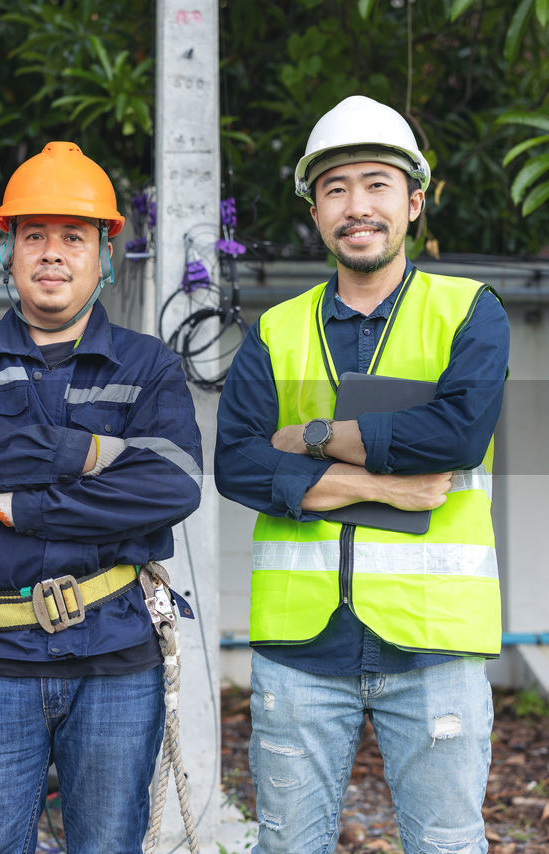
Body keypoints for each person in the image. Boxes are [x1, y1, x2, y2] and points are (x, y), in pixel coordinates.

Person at [214, 95, 509, 854]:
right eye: (336, 188)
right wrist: (381, 480)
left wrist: (314, 437)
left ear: (413, 201)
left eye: (376, 184)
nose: (357, 206)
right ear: (315, 210)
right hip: (301, 652)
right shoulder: (277, 331)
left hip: (433, 646)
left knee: (448, 845)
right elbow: (236, 462)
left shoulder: (469, 312)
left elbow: (458, 434)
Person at [0, 141, 204, 853]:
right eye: (34, 236)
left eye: (73, 238)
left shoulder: (150, 366)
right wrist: (90, 451)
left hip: (114, 656)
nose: (52, 254)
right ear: (9, 251)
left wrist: (28, 503)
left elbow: (171, 484)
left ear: (104, 255)